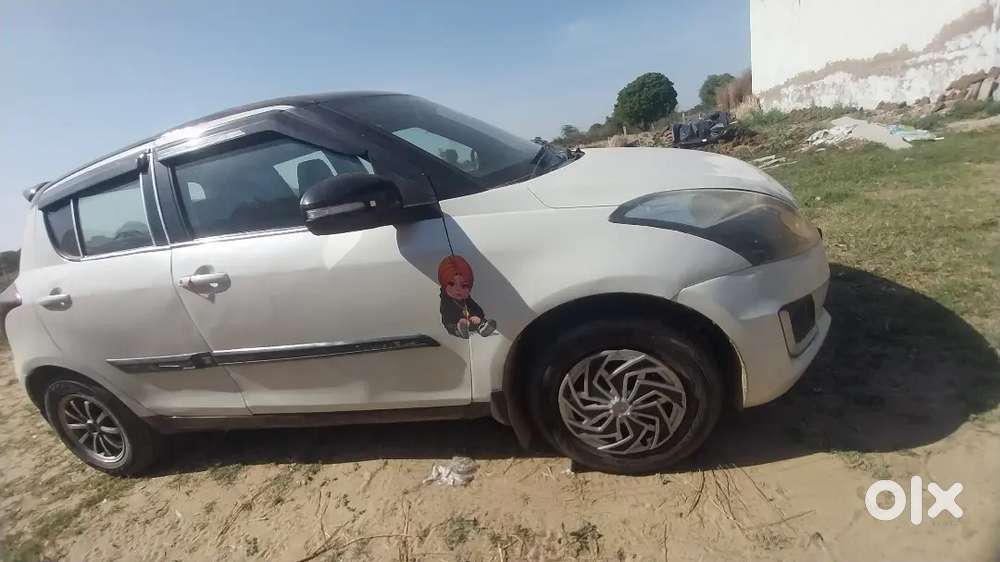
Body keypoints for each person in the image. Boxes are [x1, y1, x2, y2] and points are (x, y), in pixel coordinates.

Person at [437, 255, 497, 338]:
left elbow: (476, 308)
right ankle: (459, 330)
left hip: (469, 319)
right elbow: (447, 316)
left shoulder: (467, 299)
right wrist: (461, 319)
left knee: (477, 321)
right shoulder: (446, 301)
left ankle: (483, 327)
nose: (458, 289)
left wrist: (477, 316)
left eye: (464, 286)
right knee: (453, 325)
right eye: (452, 284)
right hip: (454, 322)